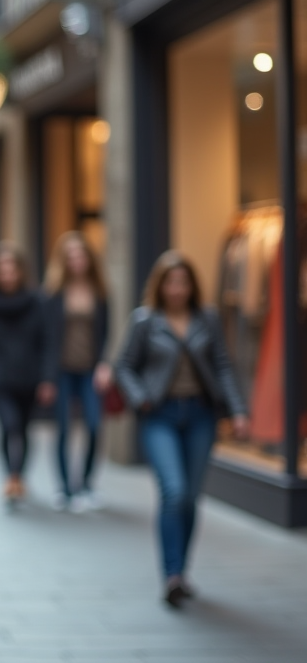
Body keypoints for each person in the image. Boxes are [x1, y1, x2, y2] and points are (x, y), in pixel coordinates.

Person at [114, 251, 248, 608]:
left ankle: (182, 572)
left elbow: (223, 365)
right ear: (160, 285)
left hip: (201, 415)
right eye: (170, 282)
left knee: (190, 496)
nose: (176, 289)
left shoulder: (208, 318)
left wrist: (238, 410)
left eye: (183, 282)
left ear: (192, 285)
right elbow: (124, 366)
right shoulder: (145, 321)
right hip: (160, 416)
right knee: (173, 491)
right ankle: (171, 575)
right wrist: (140, 397)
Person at [0, 242, 51, 507]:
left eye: (11, 268)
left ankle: (19, 476)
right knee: (9, 425)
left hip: (30, 376)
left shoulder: (37, 302)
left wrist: (48, 379)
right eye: (1, 269)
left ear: (20, 270)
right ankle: (10, 477)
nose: (7, 274)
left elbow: (46, 342)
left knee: (24, 429)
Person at [41, 232, 113, 512]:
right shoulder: (52, 293)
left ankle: (85, 484)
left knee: (94, 425)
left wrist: (105, 364)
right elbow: (47, 339)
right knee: (62, 429)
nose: (76, 261)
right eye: (70, 256)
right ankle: (64, 487)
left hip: (90, 370)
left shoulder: (101, 292)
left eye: (80, 255)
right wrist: (47, 378)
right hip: (60, 371)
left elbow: (105, 334)